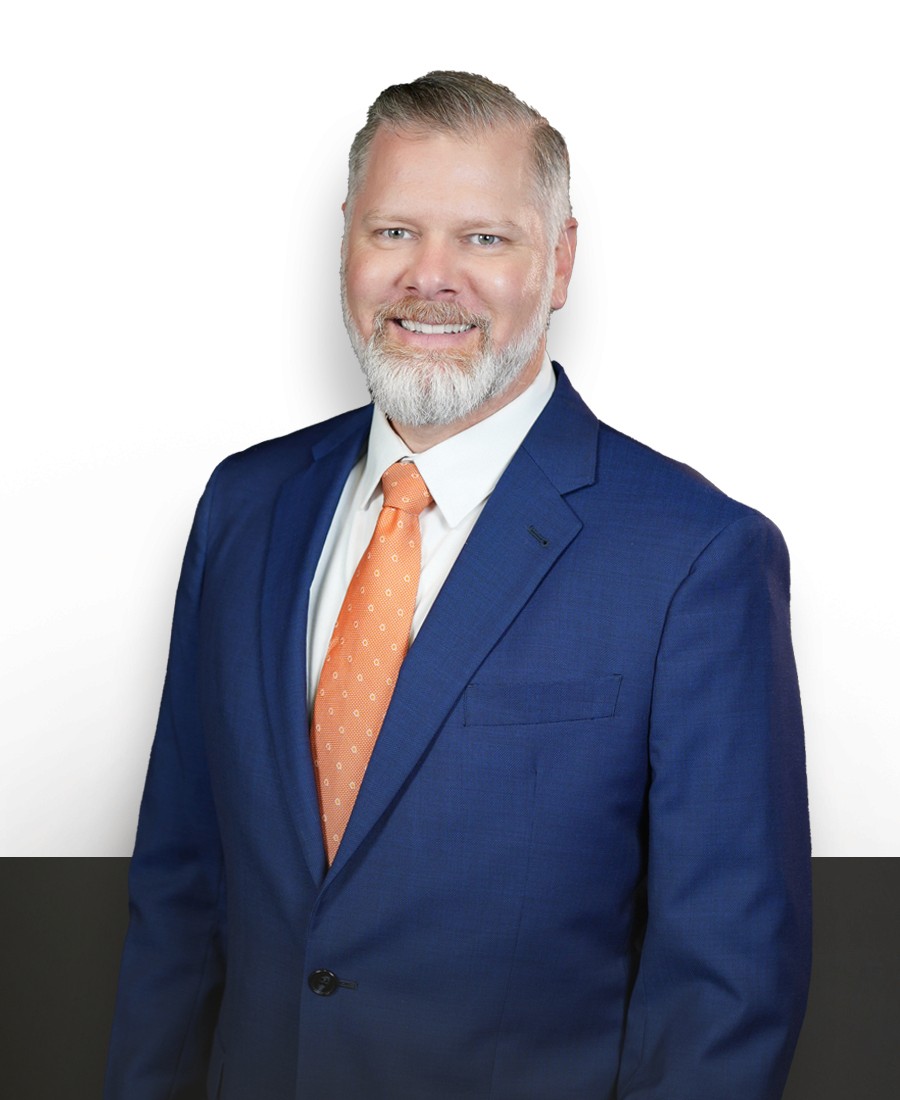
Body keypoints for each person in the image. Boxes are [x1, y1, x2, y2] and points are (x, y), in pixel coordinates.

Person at [105, 72, 811, 1099]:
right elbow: (179, 890)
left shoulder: (695, 558)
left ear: (559, 261)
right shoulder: (243, 509)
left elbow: (727, 987)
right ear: (347, 239)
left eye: (485, 239)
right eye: (395, 231)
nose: (429, 278)